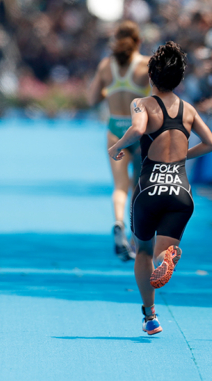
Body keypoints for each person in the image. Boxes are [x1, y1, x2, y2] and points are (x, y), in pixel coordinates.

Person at [107, 42, 212, 336]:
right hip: (181, 191)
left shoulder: (141, 104)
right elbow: (211, 144)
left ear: (150, 77)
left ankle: (150, 316)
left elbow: (138, 130)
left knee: (141, 251)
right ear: (179, 80)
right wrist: (183, 156)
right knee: (163, 250)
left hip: (150, 188)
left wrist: (117, 146)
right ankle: (169, 256)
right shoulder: (189, 109)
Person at [87, 21, 151, 261]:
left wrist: (111, 91)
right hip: (140, 130)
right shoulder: (146, 65)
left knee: (120, 185)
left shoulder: (106, 66)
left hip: (116, 128)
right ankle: (137, 237)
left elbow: (93, 99)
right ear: (138, 41)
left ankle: (118, 223)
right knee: (139, 186)